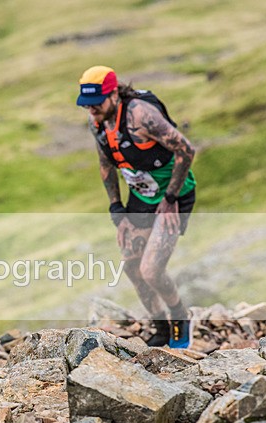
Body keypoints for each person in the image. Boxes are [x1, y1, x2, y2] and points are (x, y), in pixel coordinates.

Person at [77, 66, 197, 348]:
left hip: (173, 196)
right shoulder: (99, 123)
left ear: (114, 93)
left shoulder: (141, 116)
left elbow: (186, 150)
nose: (92, 111)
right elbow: (106, 164)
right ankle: (160, 326)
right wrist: (117, 210)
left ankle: (179, 316)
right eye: (86, 105)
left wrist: (170, 199)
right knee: (132, 267)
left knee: (152, 269)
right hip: (140, 199)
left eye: (96, 104)